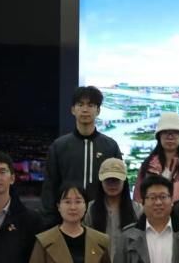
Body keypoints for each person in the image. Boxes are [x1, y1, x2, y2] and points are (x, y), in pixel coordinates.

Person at [40, 86, 122, 227]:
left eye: (90, 105)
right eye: (80, 104)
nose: (85, 109)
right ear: (73, 110)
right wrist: (49, 222)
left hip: (102, 220)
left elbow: (119, 184)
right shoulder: (59, 146)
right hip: (66, 221)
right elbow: (50, 186)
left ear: (98, 110)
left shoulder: (110, 146)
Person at [82, 157, 141, 262]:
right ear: (101, 182)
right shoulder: (90, 209)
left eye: (116, 180)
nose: (112, 185)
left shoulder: (137, 209)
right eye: (108, 180)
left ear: (124, 181)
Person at [134, 112, 179, 204]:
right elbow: (138, 198)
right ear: (159, 136)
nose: (170, 137)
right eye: (165, 132)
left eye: (175, 132)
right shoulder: (148, 166)